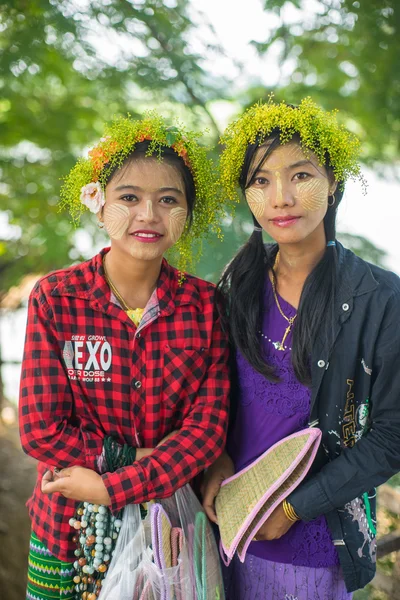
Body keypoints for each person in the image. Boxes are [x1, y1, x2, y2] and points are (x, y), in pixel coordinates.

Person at [19, 112, 230, 600]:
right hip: (67, 534)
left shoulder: (206, 307)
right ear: (99, 205)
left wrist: (111, 487)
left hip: (171, 538)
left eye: (168, 200)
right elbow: (39, 430)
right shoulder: (56, 299)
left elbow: (205, 433)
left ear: (187, 214)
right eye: (129, 198)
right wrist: (135, 457)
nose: (148, 215)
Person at [202, 97, 400, 599]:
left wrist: (292, 508)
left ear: (332, 184)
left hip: (311, 549)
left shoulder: (380, 297)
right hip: (222, 535)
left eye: (301, 176)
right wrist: (216, 459)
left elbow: (392, 437)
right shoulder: (236, 286)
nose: (281, 198)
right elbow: (216, 400)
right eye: (261, 181)